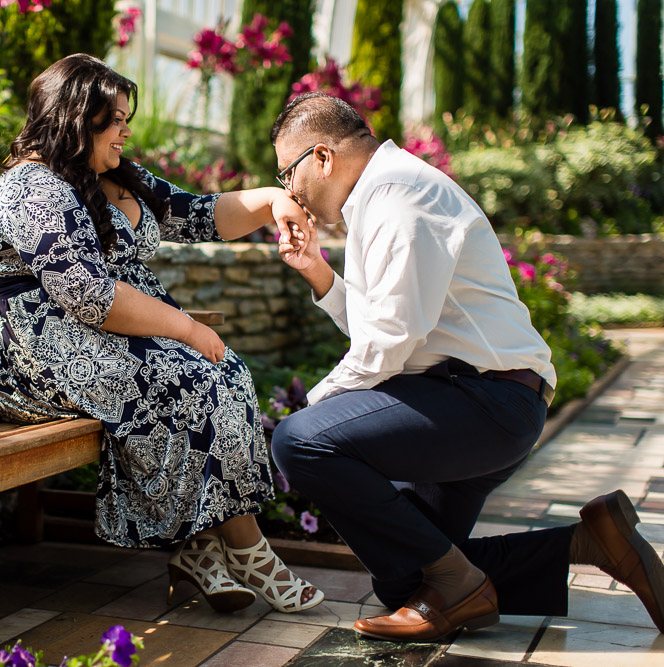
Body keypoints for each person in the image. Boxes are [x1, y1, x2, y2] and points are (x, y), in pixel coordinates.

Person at [267, 92, 664, 641]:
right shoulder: (384, 195)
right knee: (410, 582)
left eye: (289, 173)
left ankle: (459, 583)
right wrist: (317, 271)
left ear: (322, 157)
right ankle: (590, 542)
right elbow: (383, 324)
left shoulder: (398, 197)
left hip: (485, 402)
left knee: (300, 441)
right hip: (477, 399)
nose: (291, 192)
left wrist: (302, 414)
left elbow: (389, 340)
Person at [0, 54, 323, 614]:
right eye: (113, 120)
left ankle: (201, 548)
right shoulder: (31, 188)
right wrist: (183, 327)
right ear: (74, 120)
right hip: (36, 356)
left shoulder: (110, 175)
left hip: (97, 342)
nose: (125, 130)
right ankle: (250, 551)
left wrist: (272, 199)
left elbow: (201, 213)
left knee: (223, 372)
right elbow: (86, 293)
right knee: (187, 380)